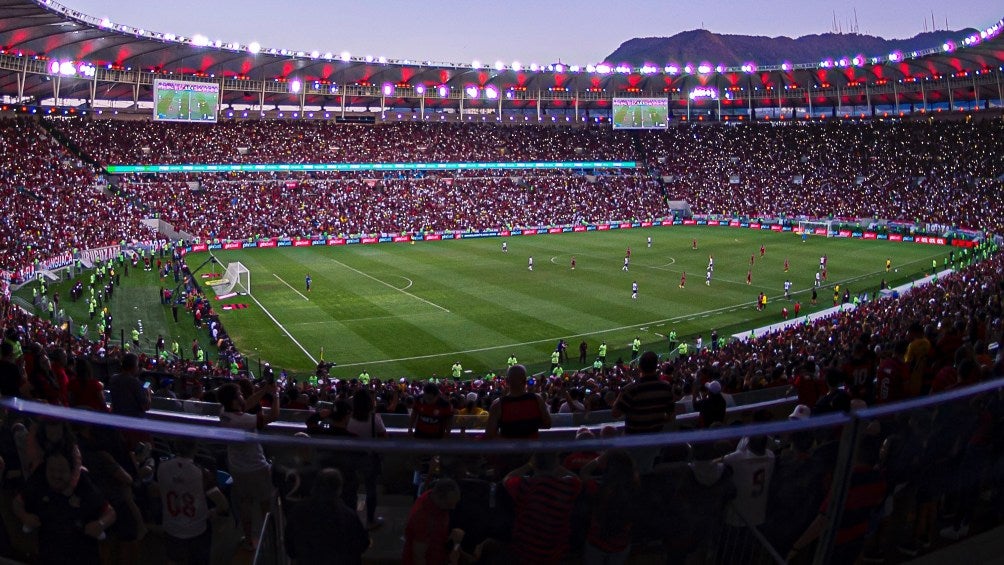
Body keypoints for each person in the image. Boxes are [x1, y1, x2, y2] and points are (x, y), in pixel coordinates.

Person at [13, 445, 116, 565]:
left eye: (61, 471)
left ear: (72, 471)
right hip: (48, 556)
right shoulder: (39, 482)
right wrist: (24, 516)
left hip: (84, 558)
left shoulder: (84, 485)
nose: (56, 476)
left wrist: (100, 524)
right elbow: (17, 502)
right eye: (51, 470)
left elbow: (110, 512)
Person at [217, 381, 280, 549]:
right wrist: (275, 396)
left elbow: (247, 404)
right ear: (233, 401)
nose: (243, 396)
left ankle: (248, 540)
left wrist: (264, 390)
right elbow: (273, 416)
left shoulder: (224, 412)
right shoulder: (244, 420)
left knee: (245, 502)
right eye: (239, 394)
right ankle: (269, 541)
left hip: (236, 466)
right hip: (256, 466)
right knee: (265, 504)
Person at [157, 439, 230, 565]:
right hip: (197, 530)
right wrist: (213, 511)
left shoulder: (162, 467)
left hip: (171, 528)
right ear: (196, 448)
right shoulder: (201, 473)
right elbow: (223, 504)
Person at [505, 452, 583, 564]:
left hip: (524, 550)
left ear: (534, 464)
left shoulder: (524, 485)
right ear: (557, 463)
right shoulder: (568, 485)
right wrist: (556, 465)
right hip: (556, 551)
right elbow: (577, 480)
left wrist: (529, 465)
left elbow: (508, 478)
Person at [286, 469, 370, 565]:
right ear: (339, 490)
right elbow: (362, 544)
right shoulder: (348, 515)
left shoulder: (298, 511)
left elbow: (290, 548)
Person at [612, 351, 676, 472]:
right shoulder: (666, 387)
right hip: (655, 440)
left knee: (633, 472)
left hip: (633, 441)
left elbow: (615, 413)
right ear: (656, 366)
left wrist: (621, 393)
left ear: (639, 367)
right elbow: (672, 417)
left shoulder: (631, 389)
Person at [578, 449, 639, 565]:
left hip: (596, 542)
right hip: (621, 544)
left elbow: (583, 472)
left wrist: (599, 459)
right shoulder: (634, 488)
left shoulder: (597, 488)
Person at [347, 389, 387, 530]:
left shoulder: (349, 418)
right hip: (369, 458)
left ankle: (350, 520)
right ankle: (370, 520)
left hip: (352, 458)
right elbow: (383, 437)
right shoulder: (375, 418)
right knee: (371, 490)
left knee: (350, 489)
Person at [403, 478, 463, 565]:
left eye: (455, 503)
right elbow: (418, 557)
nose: (453, 508)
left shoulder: (434, 497)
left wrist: (456, 544)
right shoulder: (422, 518)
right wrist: (456, 544)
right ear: (438, 497)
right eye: (449, 504)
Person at [485, 364, 551, 440]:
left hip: (509, 450)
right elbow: (547, 424)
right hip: (532, 450)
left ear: (506, 381)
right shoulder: (537, 399)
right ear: (525, 381)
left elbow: (490, 435)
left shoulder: (498, 404)